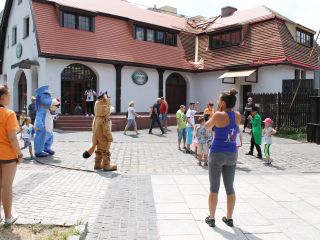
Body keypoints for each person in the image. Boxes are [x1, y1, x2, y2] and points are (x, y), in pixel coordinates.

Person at [204, 88, 241, 228]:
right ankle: (229, 218)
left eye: (219, 100)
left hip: (217, 153)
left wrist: (215, 113)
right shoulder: (237, 115)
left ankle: (212, 218)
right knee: (230, 188)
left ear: (223, 103)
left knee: (214, 188)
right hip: (232, 154)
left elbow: (208, 126)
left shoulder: (218, 115)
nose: (217, 101)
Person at [0, 85, 23, 225]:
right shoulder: (9, 114)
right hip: (7, 155)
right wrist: (20, 154)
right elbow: (12, 138)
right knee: (7, 186)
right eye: (9, 94)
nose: (10, 96)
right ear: (3, 97)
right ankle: (8, 217)